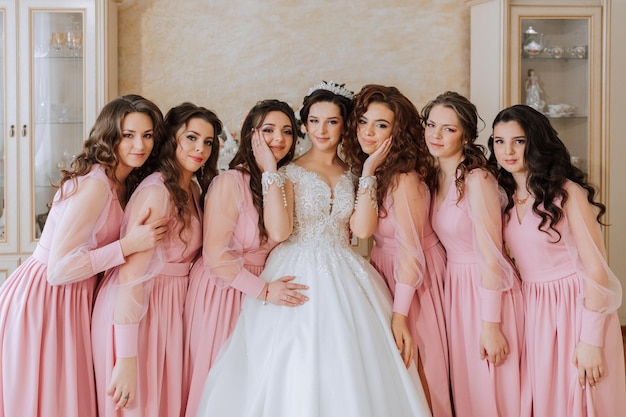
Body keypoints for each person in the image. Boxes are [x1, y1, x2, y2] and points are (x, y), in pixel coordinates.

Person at [195, 81, 432, 417]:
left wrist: (367, 173)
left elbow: (363, 230)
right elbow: (279, 230)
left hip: (346, 270)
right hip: (295, 266)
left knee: (350, 362)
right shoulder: (287, 172)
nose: (323, 130)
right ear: (304, 125)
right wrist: (271, 174)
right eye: (315, 121)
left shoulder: (353, 172)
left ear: (343, 125)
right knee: (293, 364)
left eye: (333, 121)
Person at [0, 94, 167, 417]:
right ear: (110, 136)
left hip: (72, 298)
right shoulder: (96, 185)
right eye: (128, 135)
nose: (140, 145)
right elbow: (58, 270)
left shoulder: (120, 181)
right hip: (44, 300)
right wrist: (127, 246)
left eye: (147, 135)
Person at [488, 104, 625, 417]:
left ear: (535, 143)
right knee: (546, 400)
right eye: (499, 141)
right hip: (534, 308)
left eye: (518, 141)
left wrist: (591, 340)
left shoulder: (567, 193)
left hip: (575, 306)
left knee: (581, 397)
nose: (507, 150)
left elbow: (596, 269)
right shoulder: (504, 198)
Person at [91, 102, 222, 417]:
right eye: (191, 138)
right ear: (172, 138)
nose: (200, 148)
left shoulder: (190, 187)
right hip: (137, 310)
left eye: (207, 142)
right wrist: (126, 359)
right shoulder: (157, 193)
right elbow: (130, 278)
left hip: (167, 309)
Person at [182, 99, 308, 417]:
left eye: (287, 132)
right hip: (223, 290)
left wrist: (269, 172)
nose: (278, 139)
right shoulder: (229, 182)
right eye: (268, 130)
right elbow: (214, 255)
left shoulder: (280, 182)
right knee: (219, 381)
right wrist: (263, 290)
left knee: (250, 386)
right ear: (251, 134)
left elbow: (280, 235)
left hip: (260, 292)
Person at [342, 84, 452, 417]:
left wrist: (400, 314)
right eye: (363, 122)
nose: (368, 133)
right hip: (384, 268)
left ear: (398, 132)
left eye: (381, 125)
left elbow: (412, 254)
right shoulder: (375, 169)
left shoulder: (404, 179)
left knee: (421, 368)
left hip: (415, 277)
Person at [422, 91, 528, 417]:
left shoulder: (477, 179)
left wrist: (491, 324)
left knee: (492, 389)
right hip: (455, 290)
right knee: (468, 391)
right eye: (431, 125)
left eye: (448, 129)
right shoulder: (434, 175)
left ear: (466, 135)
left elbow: (492, 256)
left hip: (485, 291)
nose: (436, 135)